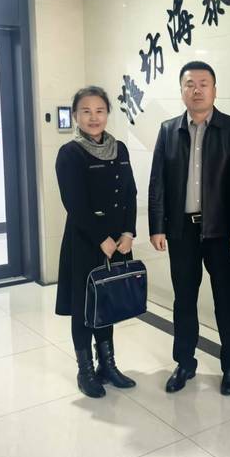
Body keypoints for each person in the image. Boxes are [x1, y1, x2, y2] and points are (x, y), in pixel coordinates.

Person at [148, 61, 230, 395]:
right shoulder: (168, 130)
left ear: (215, 90)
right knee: (184, 300)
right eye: (190, 84)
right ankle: (184, 363)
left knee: (226, 300)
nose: (197, 90)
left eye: (204, 84)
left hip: (222, 231)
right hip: (182, 231)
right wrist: (157, 225)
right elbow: (158, 181)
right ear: (181, 91)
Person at [56, 86, 138, 398]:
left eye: (99, 111)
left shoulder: (120, 149)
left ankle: (108, 365)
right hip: (84, 241)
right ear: (76, 115)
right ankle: (86, 371)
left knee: (107, 302)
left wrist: (128, 232)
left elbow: (130, 193)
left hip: (118, 241)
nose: (94, 117)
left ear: (107, 113)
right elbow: (74, 204)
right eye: (86, 111)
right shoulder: (70, 153)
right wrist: (101, 238)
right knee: (84, 306)